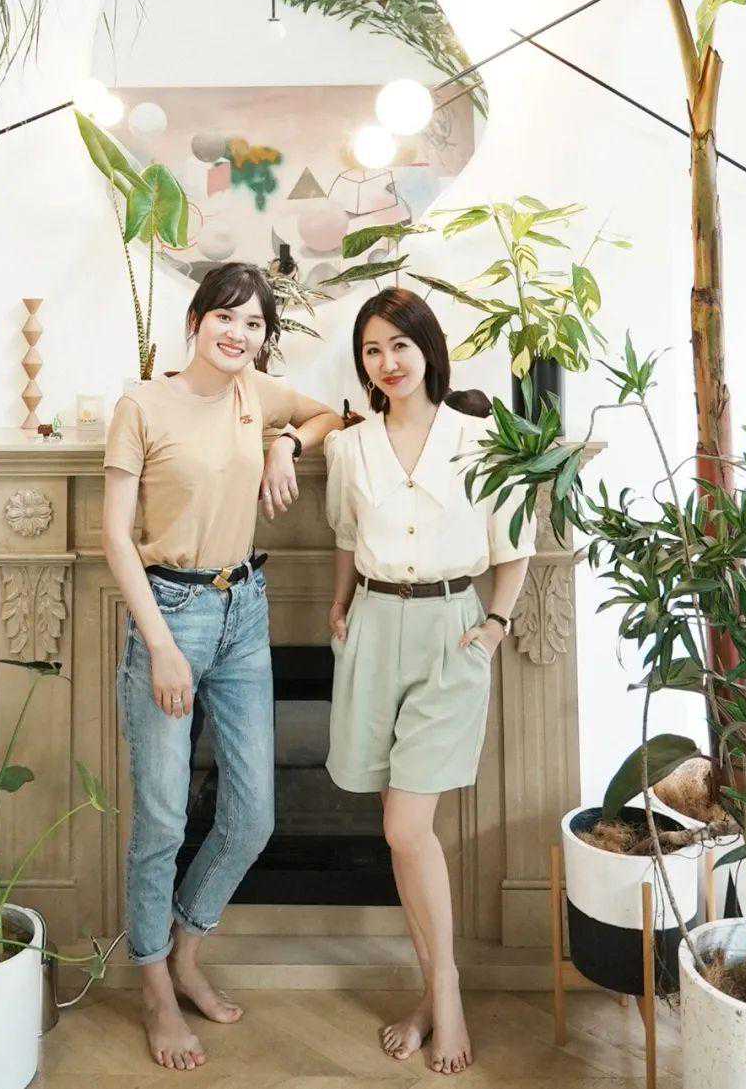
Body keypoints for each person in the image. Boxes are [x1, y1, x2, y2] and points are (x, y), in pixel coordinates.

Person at [103, 261, 340, 1071]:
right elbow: (114, 537)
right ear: (196, 320)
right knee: (164, 819)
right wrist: (160, 645)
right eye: (225, 316)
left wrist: (284, 443)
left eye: (254, 323)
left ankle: (186, 951)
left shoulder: (255, 393)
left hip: (246, 610)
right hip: (168, 613)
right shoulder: (142, 404)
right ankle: (153, 985)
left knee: (253, 816)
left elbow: (326, 414)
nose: (238, 333)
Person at [324, 288, 535, 1075]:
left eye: (400, 345)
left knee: (406, 827)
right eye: (372, 349)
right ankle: (428, 994)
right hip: (375, 626)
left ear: (428, 349)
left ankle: (445, 994)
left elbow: (515, 541)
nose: (388, 361)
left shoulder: (479, 437)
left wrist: (495, 625)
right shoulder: (351, 447)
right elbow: (345, 534)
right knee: (398, 828)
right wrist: (340, 606)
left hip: (453, 630)